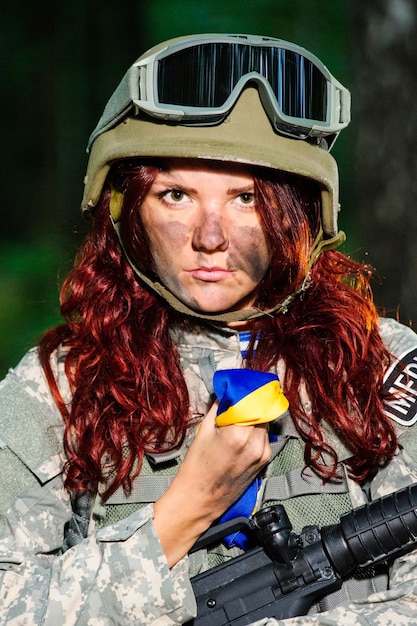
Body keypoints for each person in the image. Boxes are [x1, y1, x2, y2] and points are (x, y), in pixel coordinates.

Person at [1, 32, 417, 626]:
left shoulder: (377, 364)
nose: (211, 237)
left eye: (247, 198)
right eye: (176, 195)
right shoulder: (58, 390)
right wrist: (183, 512)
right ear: (127, 212)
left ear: (298, 214)